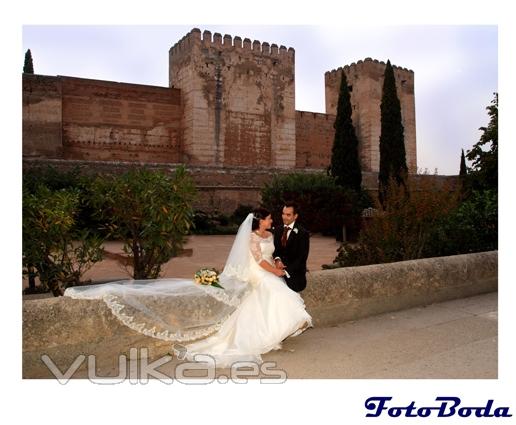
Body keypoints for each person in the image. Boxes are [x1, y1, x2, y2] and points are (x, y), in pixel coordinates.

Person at [65, 208, 312, 368]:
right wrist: (276, 271)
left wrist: (278, 263)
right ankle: (279, 330)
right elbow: (258, 261)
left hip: (268, 270)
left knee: (269, 299)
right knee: (278, 292)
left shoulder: (270, 235)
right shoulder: (253, 237)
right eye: (270, 217)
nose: (274, 220)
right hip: (259, 273)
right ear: (262, 221)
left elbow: (274, 253)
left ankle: (273, 334)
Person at [273, 202, 310, 292]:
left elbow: (302, 258)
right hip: (278, 271)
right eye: (283, 214)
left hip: (295, 275)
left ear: (295, 216)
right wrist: (277, 260)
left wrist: (286, 271)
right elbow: (275, 250)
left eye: (288, 215)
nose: (284, 217)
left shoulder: (302, 233)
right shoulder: (277, 230)